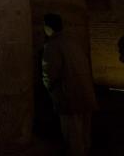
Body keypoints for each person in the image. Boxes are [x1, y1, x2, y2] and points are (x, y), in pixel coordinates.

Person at [42, 13, 98, 156]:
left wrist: (49, 88)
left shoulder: (52, 45)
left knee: (72, 135)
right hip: (85, 92)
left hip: (68, 95)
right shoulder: (74, 41)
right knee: (85, 133)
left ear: (48, 27)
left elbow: (49, 72)